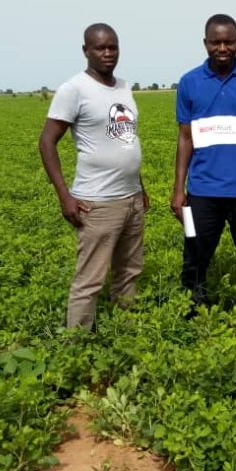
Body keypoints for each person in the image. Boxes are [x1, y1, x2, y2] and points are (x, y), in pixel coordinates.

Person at [39, 23, 149, 330]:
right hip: (97, 202)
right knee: (90, 279)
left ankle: (124, 329)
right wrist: (65, 196)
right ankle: (76, 345)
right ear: (86, 51)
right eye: (100, 48)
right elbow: (47, 142)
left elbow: (125, 139)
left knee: (129, 270)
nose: (108, 53)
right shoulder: (74, 89)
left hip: (130, 198)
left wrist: (140, 187)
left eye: (113, 47)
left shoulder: (124, 87)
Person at [171, 14, 236, 313]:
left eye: (228, 42)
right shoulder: (189, 83)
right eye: (216, 42)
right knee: (194, 255)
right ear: (205, 43)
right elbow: (184, 139)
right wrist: (179, 190)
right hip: (201, 192)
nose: (222, 48)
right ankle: (194, 312)